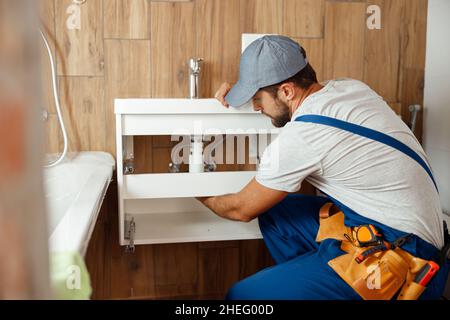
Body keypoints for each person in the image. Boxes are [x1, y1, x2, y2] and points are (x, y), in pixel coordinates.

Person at [196, 35, 449, 300]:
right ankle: (315, 281)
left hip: (409, 267)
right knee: (276, 215)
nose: (256, 106)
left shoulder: (304, 135)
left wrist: (198, 193)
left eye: (257, 97)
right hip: (402, 233)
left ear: (286, 91)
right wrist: (240, 93)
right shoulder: (349, 87)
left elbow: (241, 208)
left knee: (242, 296)